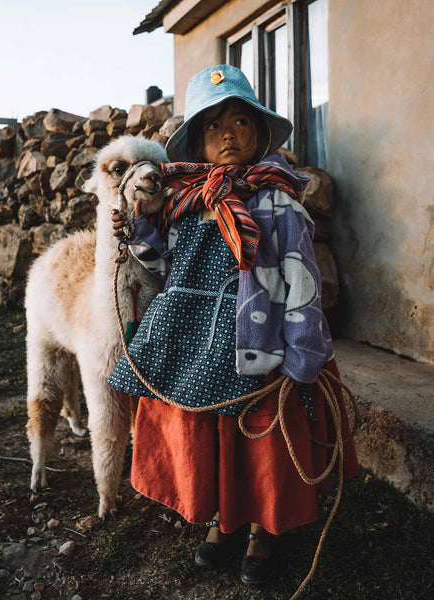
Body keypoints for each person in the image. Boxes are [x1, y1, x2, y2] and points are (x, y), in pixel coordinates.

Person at [109, 65, 359, 586]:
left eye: (241, 121)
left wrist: (302, 352)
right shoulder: (185, 202)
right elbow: (163, 267)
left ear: (259, 133)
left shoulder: (278, 200)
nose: (228, 134)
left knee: (261, 434)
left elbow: (301, 278)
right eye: (213, 125)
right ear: (198, 142)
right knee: (215, 431)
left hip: (259, 337)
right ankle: (225, 518)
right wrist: (133, 231)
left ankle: (264, 530)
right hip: (197, 342)